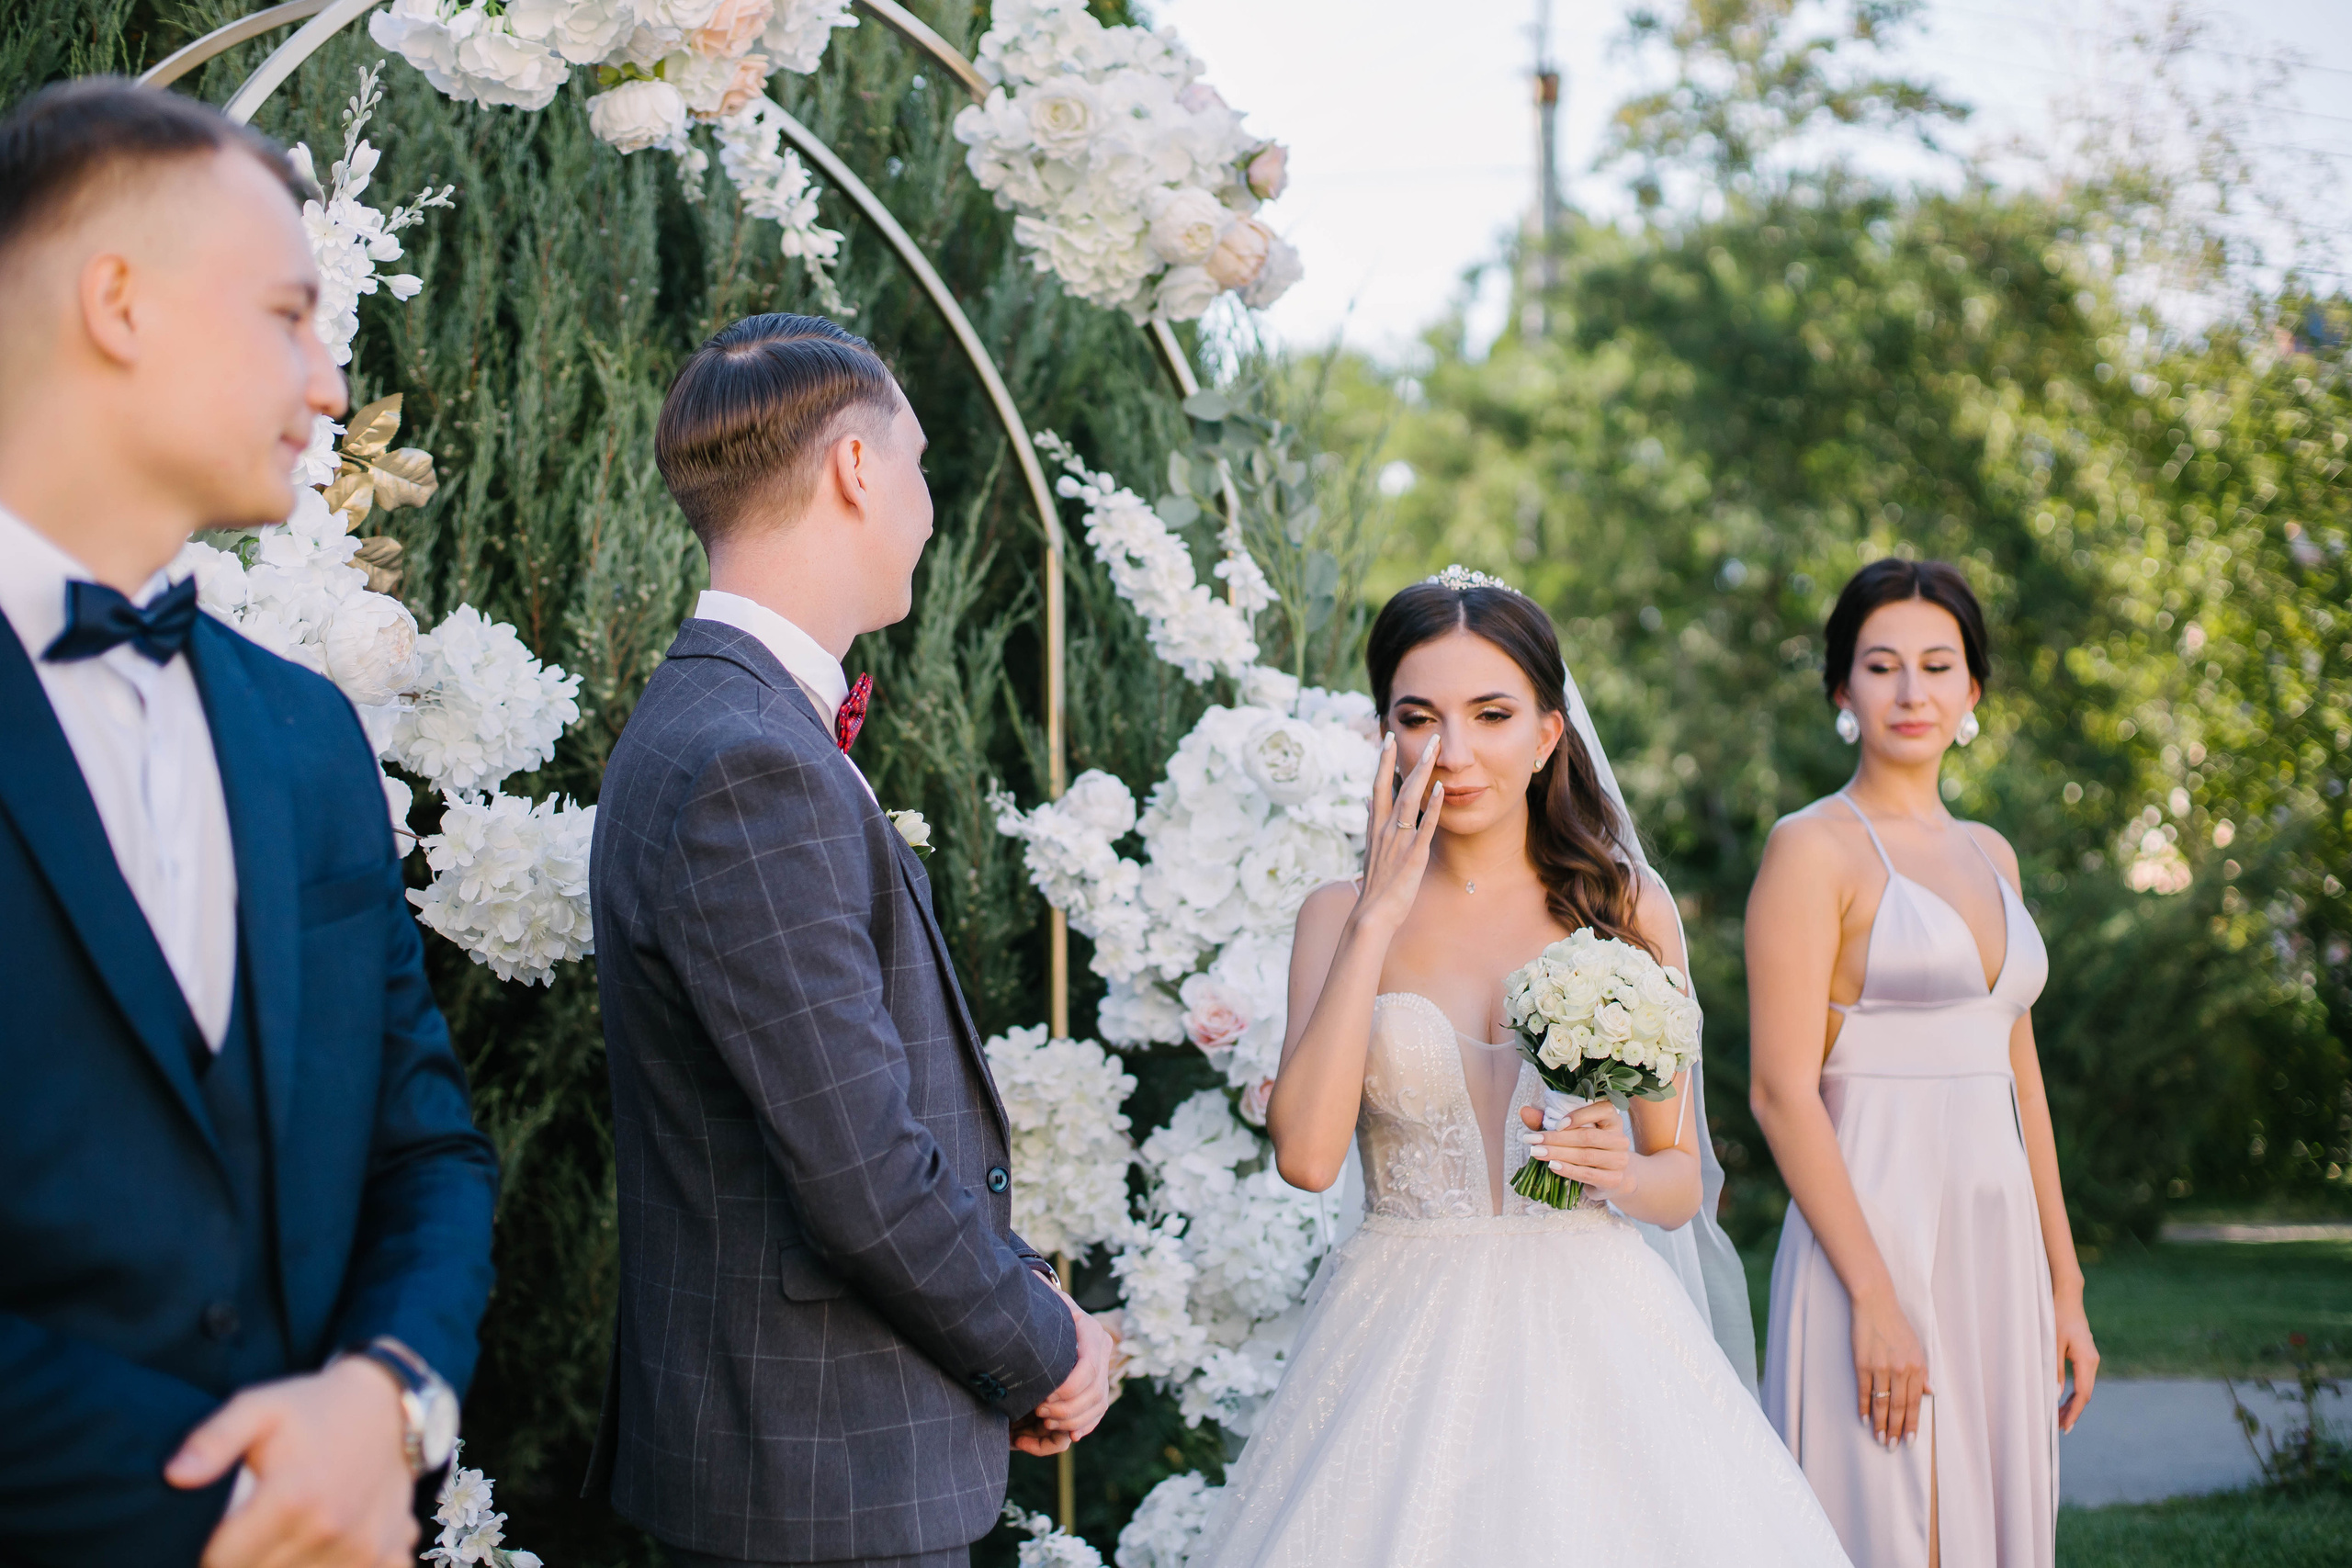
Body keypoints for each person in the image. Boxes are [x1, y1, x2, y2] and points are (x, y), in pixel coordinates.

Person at [0, 79, 499, 1568]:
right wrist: (233, 1505)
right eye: (289, 314)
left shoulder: (309, 733)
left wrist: (385, 1399)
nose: (332, 382)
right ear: (121, 304)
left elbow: (425, 1151)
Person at [586, 312, 1116, 1568]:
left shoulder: (728, 722)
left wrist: (1019, 1288)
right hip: (820, 1487)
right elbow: (860, 1167)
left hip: (817, 1464)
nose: (928, 504)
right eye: (920, 462)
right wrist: (1050, 1347)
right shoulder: (749, 761)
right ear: (857, 471)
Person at [1189, 570, 1849, 1568]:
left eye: (1490, 714)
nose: (1452, 754)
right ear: (1386, 737)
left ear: (1546, 733)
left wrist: (1622, 1171)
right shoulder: (1335, 916)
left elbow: (1680, 1182)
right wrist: (1375, 914)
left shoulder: (1623, 910)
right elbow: (1309, 1159)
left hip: (1596, 1324)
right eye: (1419, 718)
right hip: (1396, 1330)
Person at [1749, 558, 2098, 1568]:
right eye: (1882, 665)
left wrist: (2063, 1287)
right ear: (1840, 691)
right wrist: (1874, 1298)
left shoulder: (1993, 853)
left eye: (1938, 665)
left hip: (1998, 1250)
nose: (1912, 692)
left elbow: (2018, 1082)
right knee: (1887, 1525)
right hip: (1873, 1239)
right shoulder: (1811, 848)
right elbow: (1780, 1093)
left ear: (1972, 691)